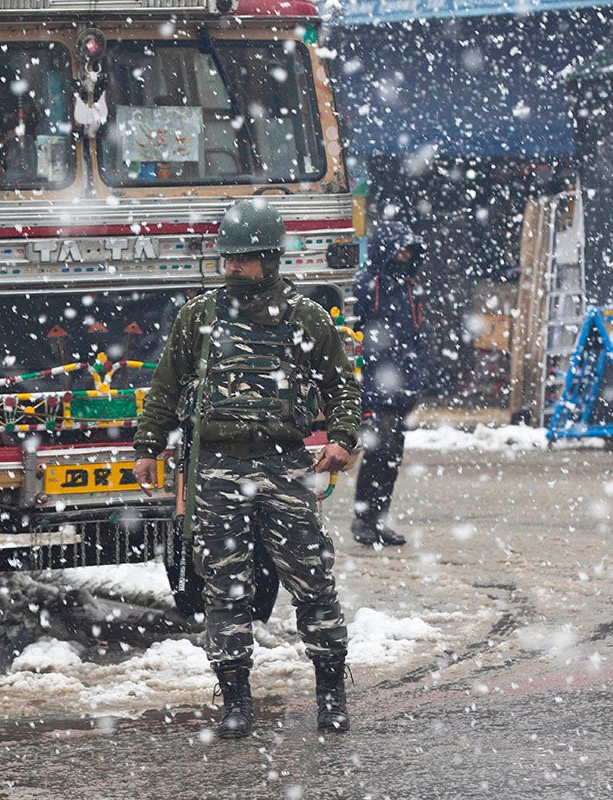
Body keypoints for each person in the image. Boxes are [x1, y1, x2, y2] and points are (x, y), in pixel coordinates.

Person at [132, 198, 361, 739]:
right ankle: (234, 698)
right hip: (217, 469)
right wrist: (148, 445)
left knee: (312, 582)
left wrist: (343, 439)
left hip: (283, 466)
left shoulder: (307, 319)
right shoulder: (199, 317)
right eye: (228, 259)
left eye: (245, 259)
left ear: (270, 260)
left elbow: (343, 386)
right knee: (225, 588)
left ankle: (330, 692)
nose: (233, 268)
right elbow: (166, 388)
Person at [350, 221, 426, 547]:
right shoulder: (366, 286)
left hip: (401, 388)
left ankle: (378, 519)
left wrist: (415, 384)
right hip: (373, 388)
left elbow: (416, 340)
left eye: (410, 250)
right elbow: (356, 338)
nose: (406, 255)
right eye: (401, 249)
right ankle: (364, 519)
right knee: (377, 452)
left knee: (392, 455)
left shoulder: (411, 290)